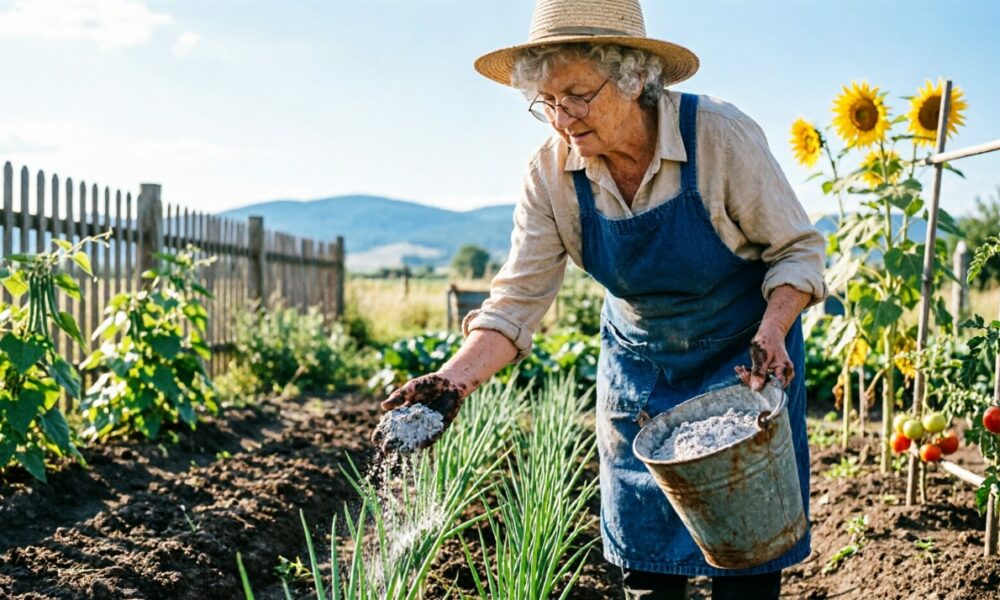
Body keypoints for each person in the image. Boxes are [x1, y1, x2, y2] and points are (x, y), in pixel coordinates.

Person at [374, 1, 827, 598]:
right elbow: (515, 303)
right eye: (547, 103)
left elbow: (797, 251)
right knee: (646, 569)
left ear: (635, 76)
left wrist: (773, 330)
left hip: (742, 365)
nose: (562, 118)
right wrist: (450, 385)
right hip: (641, 375)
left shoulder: (718, 136)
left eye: (577, 96)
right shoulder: (551, 175)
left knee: (745, 564)